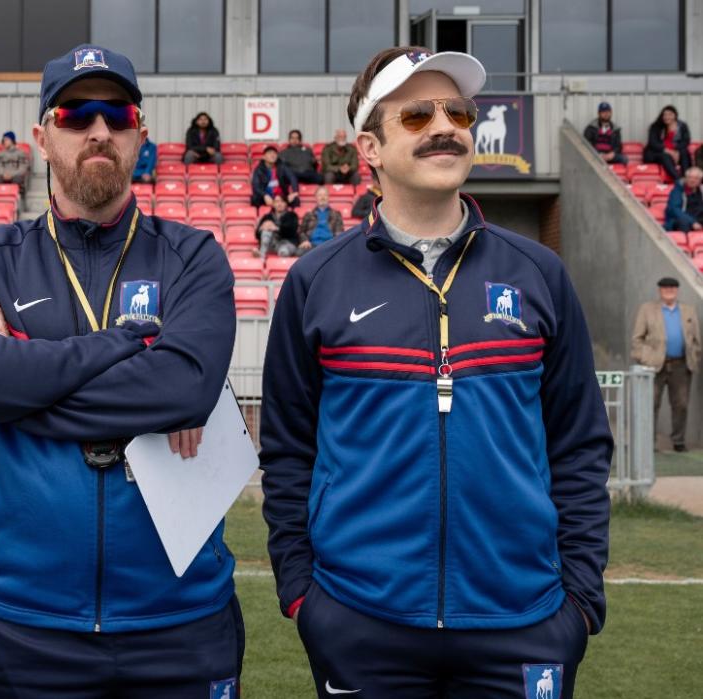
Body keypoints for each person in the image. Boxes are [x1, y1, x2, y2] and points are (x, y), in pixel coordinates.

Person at [260, 46, 612, 699]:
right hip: (360, 620)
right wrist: (305, 597)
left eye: (458, 111)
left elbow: (579, 445)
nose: (446, 126)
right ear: (370, 146)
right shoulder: (316, 282)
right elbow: (287, 452)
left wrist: (580, 600)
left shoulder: (538, 274)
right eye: (417, 115)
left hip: (526, 621)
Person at [0, 44, 241, 697]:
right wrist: (126, 344)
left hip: (180, 623)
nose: (99, 130)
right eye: (77, 114)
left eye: (117, 113)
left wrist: (21, 376)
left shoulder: (193, 256)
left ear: (140, 135)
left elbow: (185, 387)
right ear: (43, 138)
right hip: (26, 624)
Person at [632, 277, 702, 453]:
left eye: (672, 287)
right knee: (651, 403)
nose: (669, 290)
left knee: (681, 404)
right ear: (659, 290)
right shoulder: (647, 310)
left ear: (677, 290)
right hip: (655, 366)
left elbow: (696, 339)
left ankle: (678, 441)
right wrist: (646, 359)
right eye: (665, 288)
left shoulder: (688, 310)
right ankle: (649, 443)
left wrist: (694, 355)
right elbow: (637, 339)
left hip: (681, 365)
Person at [644, 105, 692, 182]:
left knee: (684, 152)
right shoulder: (655, 126)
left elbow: (686, 141)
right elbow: (653, 143)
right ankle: (678, 179)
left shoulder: (682, 126)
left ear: (675, 115)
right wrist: (668, 151)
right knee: (665, 156)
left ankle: (686, 177)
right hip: (656, 153)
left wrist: (677, 151)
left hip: (676, 152)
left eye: (670, 114)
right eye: (665, 115)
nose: (667, 117)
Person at [257, 194, 300, 258]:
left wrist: (276, 228)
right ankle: (261, 255)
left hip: (287, 243)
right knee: (266, 230)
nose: (279, 204)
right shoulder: (267, 216)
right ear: (273, 204)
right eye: (276, 201)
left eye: (282, 201)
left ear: (286, 204)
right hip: (271, 243)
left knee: (283, 251)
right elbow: (257, 235)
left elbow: (292, 231)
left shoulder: (292, 215)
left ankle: (262, 254)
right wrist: (262, 228)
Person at [664, 166, 703, 232]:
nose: (692, 180)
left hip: (697, 218)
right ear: (686, 178)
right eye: (690, 177)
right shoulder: (678, 190)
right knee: (684, 223)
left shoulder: (701, 190)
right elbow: (675, 210)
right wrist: (692, 222)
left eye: (696, 178)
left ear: (700, 181)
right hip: (680, 219)